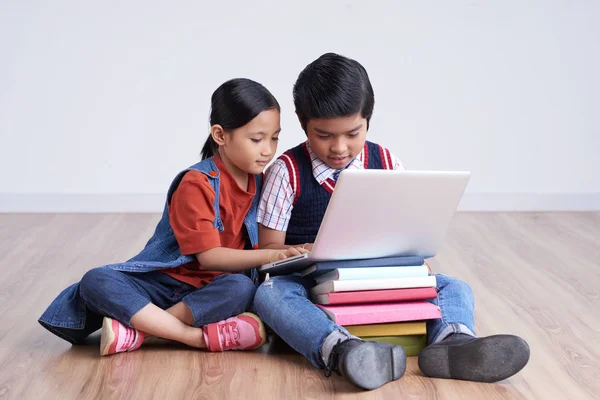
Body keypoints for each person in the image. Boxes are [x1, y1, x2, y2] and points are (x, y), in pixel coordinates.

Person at [253, 53, 530, 390]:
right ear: (302, 122)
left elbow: (407, 231)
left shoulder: (385, 161)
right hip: (310, 283)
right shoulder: (287, 172)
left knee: (453, 286)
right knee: (268, 295)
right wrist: (308, 250)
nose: (339, 147)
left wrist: (417, 265)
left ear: (368, 119)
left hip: (375, 278)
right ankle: (342, 350)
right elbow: (267, 250)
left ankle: (452, 343)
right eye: (324, 135)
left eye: (353, 133)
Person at [39, 78, 308, 356]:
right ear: (220, 135)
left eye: (274, 137)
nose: (268, 149)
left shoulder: (264, 184)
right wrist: (272, 255)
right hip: (163, 284)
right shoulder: (197, 183)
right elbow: (210, 257)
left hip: (210, 291)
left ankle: (140, 330)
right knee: (95, 280)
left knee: (241, 286)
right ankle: (192, 337)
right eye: (257, 139)